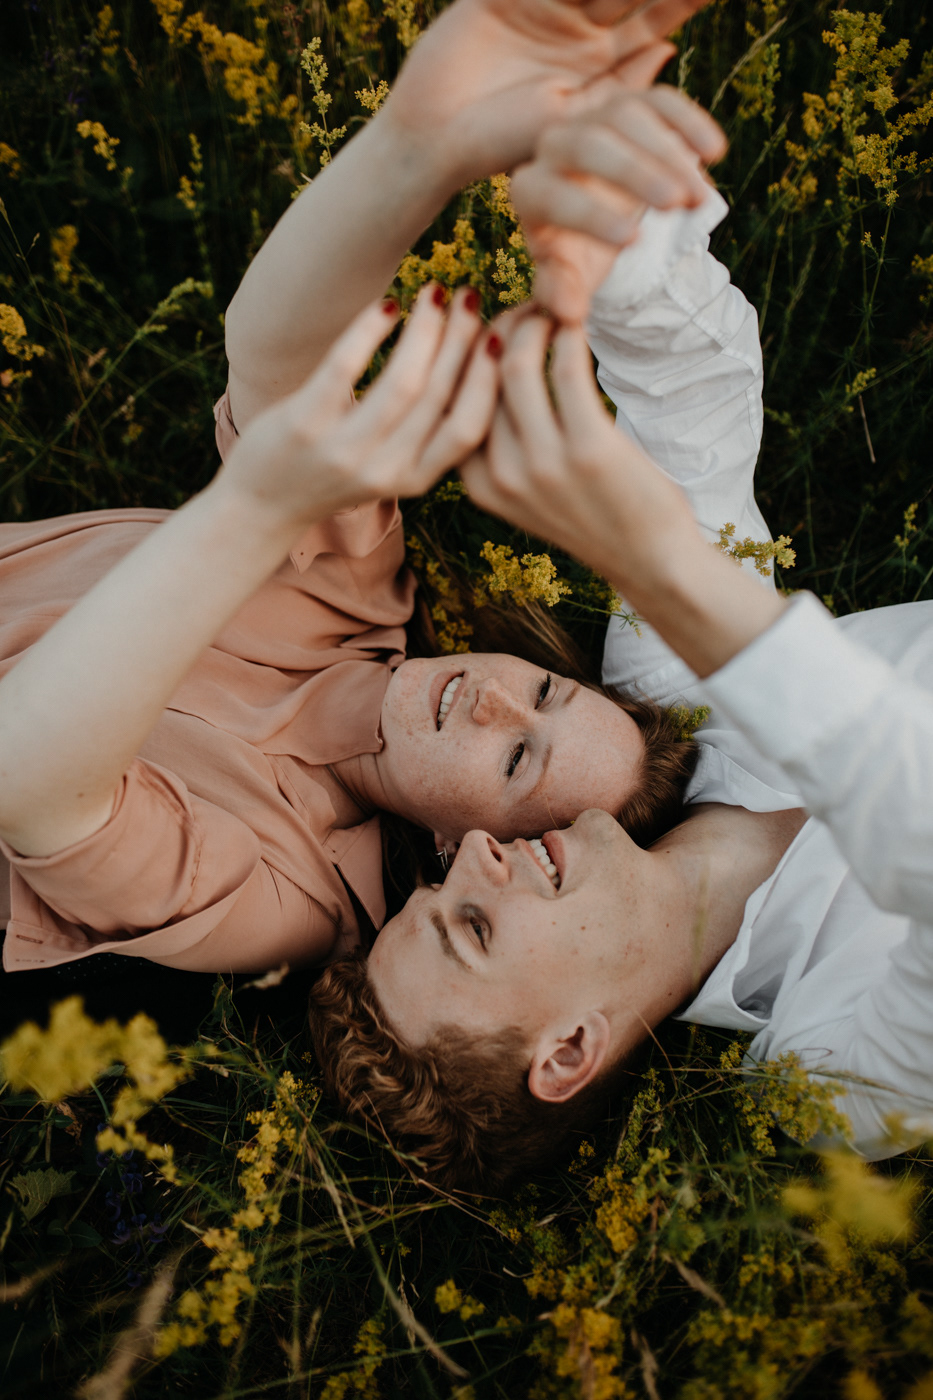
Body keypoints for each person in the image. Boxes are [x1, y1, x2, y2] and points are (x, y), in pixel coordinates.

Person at [0, 0, 723, 991]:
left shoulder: (292, 899)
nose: (492, 701)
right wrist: (418, 148)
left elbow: (27, 782)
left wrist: (251, 513)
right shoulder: (357, 599)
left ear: (467, 849)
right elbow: (274, 356)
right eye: (543, 691)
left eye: (517, 760)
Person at [308, 96, 933, 1193]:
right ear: (567, 1050)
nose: (476, 853)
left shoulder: (668, 719)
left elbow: (691, 423)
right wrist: (678, 576)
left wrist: (608, 241)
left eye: (442, 882)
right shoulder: (827, 1078)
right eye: (470, 927)